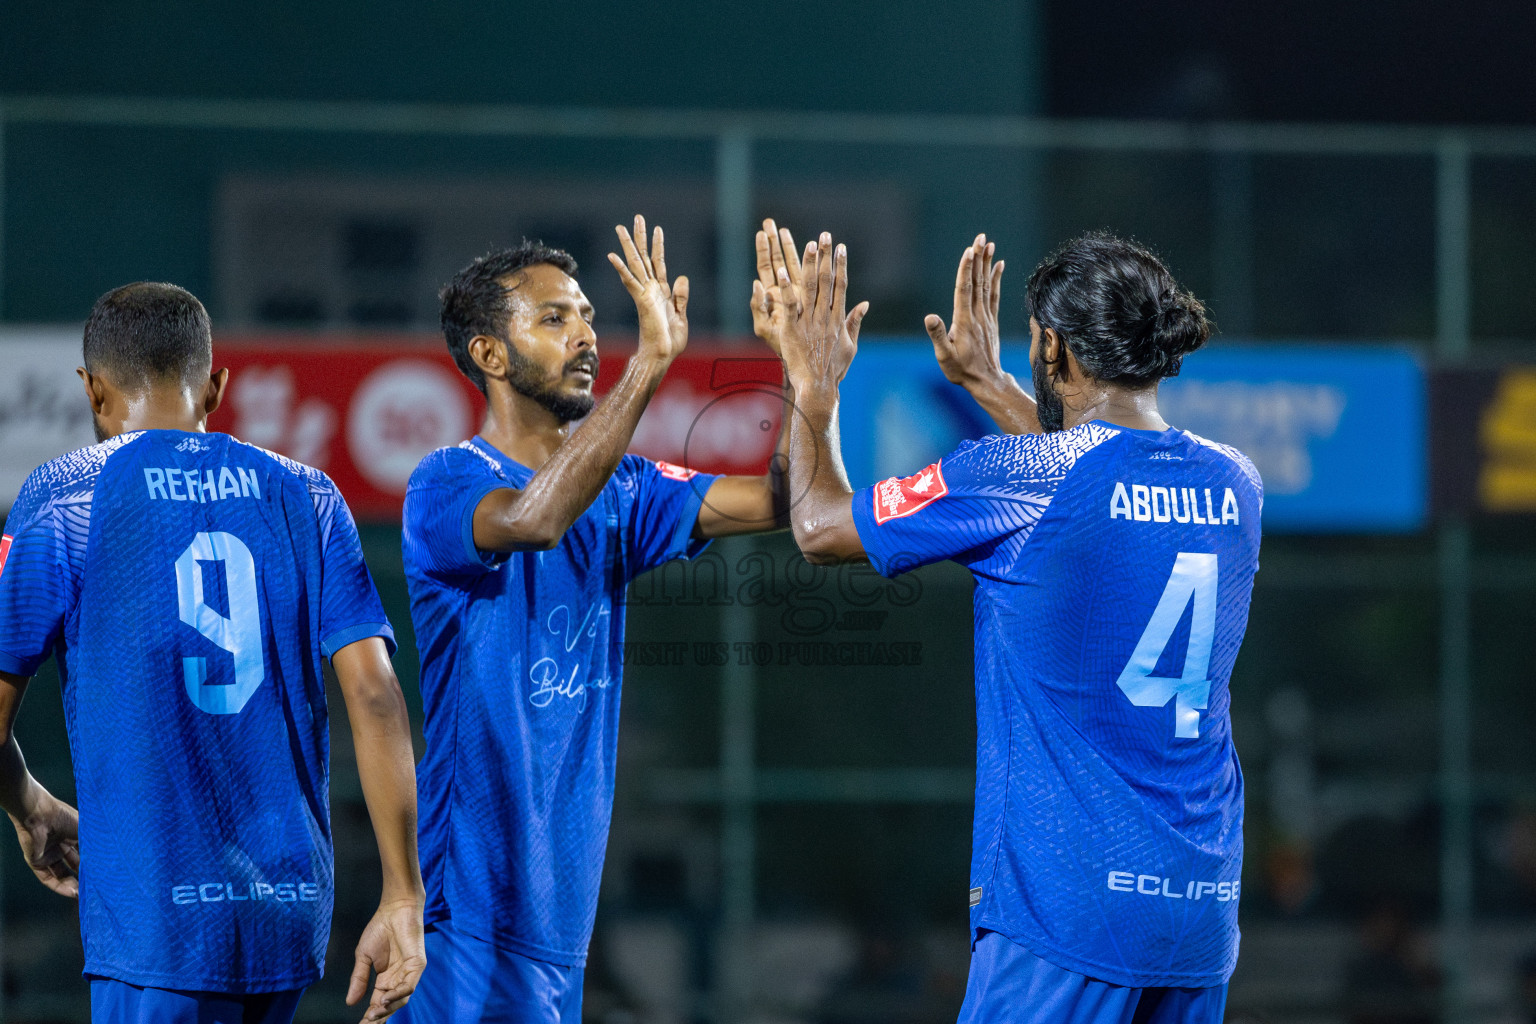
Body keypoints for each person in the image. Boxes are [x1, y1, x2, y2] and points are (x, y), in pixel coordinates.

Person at [765, 231, 1261, 1023]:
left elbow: (820, 528)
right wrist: (990, 383)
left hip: (1068, 908)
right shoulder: (1236, 482)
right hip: (1198, 905)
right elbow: (1097, 474)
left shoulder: (1014, 471)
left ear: (1054, 347)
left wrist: (812, 383)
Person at [398, 216, 804, 1022]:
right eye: (554, 319)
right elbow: (532, 521)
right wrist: (652, 363)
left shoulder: (625, 488)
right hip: (467, 909)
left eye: (587, 316)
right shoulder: (445, 482)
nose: (585, 335)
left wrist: (804, 373)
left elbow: (787, 504)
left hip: (560, 916)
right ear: (489, 355)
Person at [0, 283, 425, 1024]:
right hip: (287, 912)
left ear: (93, 390)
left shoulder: (65, 498)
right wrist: (402, 895)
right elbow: (377, 696)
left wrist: (30, 805)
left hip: (155, 920)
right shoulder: (308, 494)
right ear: (217, 386)